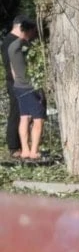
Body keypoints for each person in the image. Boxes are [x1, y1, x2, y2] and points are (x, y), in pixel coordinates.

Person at [7, 20, 43, 159]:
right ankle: (34, 151)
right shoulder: (23, 45)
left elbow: (12, 68)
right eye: (33, 31)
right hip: (30, 87)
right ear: (27, 31)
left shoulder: (11, 47)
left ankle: (25, 150)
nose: (34, 34)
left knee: (24, 118)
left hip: (18, 86)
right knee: (38, 120)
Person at [2, 15, 34, 158]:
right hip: (16, 82)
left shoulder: (16, 41)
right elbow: (13, 66)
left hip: (22, 82)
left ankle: (23, 145)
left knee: (24, 114)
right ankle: (14, 146)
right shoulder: (11, 42)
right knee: (17, 112)